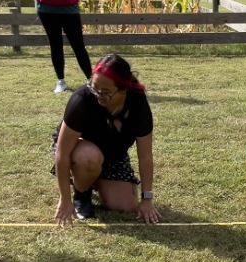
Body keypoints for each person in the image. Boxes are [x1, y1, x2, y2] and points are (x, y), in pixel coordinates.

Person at [52, 53, 161, 226]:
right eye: (94, 88)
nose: (98, 95)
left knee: (126, 205)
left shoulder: (138, 104)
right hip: (79, 153)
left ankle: (93, 179)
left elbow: (145, 156)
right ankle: (81, 193)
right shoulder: (82, 100)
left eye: (106, 92)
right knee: (89, 158)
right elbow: (62, 152)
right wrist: (65, 199)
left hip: (113, 155)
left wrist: (147, 199)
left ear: (123, 89)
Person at [37, 0, 93, 94]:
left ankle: (92, 80)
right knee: (55, 46)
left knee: (78, 46)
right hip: (47, 10)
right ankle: (61, 81)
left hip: (70, 10)